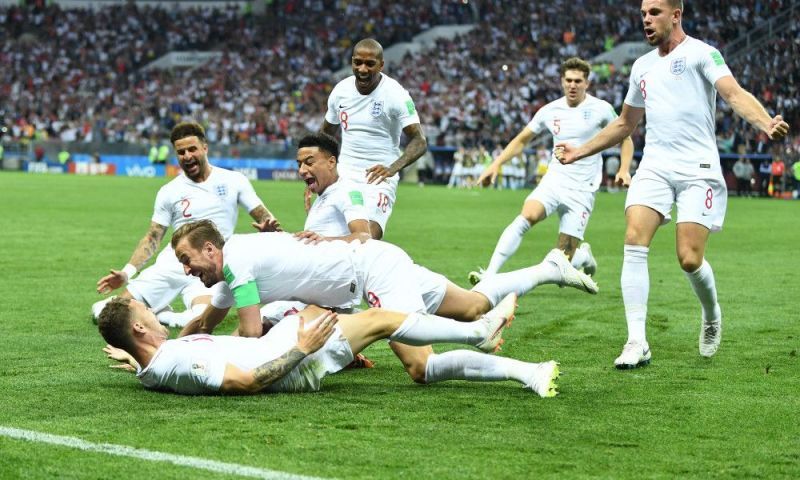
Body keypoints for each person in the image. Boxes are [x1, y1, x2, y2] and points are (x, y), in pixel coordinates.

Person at [555, 0, 790, 368]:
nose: (646, 20)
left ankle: (712, 315)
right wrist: (580, 151)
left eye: (654, 13)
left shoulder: (703, 54)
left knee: (689, 259)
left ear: (676, 15)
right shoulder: (642, 67)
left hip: (698, 169)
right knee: (634, 239)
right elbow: (624, 125)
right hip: (655, 167)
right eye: (643, 14)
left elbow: (733, 93)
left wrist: (764, 122)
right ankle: (636, 341)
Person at [169, 219, 597, 351]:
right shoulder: (229, 272)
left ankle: (481, 338)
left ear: (210, 249)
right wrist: (161, 353)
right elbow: (205, 320)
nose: (187, 271)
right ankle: (551, 267)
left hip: (370, 272)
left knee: (419, 364)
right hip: (372, 262)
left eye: (187, 260)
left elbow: (247, 334)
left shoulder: (238, 262)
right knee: (470, 303)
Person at [97, 296, 561, 398]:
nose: (154, 313)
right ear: (141, 328)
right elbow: (243, 383)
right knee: (380, 319)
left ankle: (528, 371)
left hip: (280, 343)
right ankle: (477, 329)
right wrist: (303, 348)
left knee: (419, 365)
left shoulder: (157, 359)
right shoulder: (173, 360)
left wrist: (132, 355)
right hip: (291, 361)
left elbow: (167, 359)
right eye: (146, 312)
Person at [93, 121, 280, 327]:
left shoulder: (234, 181)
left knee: (198, 320)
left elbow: (264, 217)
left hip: (209, 268)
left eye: (192, 149)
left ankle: (158, 315)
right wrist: (126, 273)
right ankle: (148, 309)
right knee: (107, 314)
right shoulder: (169, 191)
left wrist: (270, 231)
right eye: (181, 152)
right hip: (173, 264)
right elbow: (153, 237)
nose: (187, 156)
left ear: (205, 148)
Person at [471, 57, 634, 284]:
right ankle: (489, 274)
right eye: (568, 80)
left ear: (587, 83)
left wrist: (624, 169)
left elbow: (625, 138)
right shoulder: (549, 110)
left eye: (578, 81)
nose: (572, 85)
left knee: (561, 263)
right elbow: (522, 140)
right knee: (526, 216)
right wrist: (495, 164)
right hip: (554, 181)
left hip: (582, 190)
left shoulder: (602, 109)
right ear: (561, 81)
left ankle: (584, 255)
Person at [320, 38, 428, 239]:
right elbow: (325, 136)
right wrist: (315, 176)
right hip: (344, 174)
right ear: (352, 61)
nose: (362, 69)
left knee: (367, 238)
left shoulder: (395, 94)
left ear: (381, 65)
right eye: (357, 62)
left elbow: (419, 140)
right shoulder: (341, 91)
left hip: (379, 178)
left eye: (370, 64)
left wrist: (392, 168)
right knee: (325, 234)